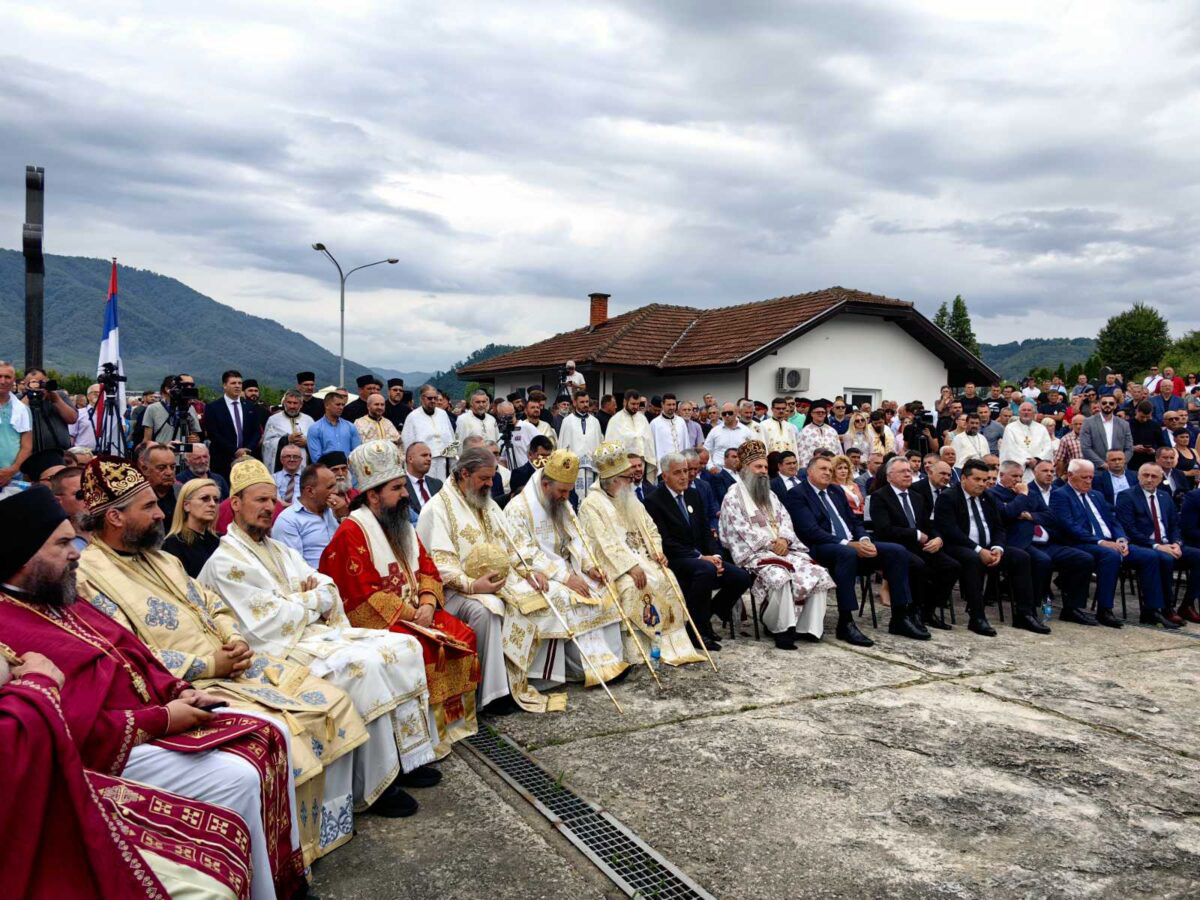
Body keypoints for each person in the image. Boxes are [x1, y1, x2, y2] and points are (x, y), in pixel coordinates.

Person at [0, 485, 303, 899]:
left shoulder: (62, 596)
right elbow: (65, 725)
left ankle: (285, 880)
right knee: (239, 776)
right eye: (62, 543)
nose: (75, 552)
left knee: (273, 734)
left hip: (157, 714)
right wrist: (163, 718)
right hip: (107, 751)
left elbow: (133, 652)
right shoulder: (9, 627)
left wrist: (178, 690)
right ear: (24, 555)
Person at [73, 457, 375, 861]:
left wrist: (233, 639)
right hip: (187, 684)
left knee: (334, 700)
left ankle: (326, 832)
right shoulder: (88, 577)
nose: (162, 512)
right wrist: (210, 665)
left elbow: (212, 605)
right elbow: (129, 654)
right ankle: (286, 853)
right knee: (285, 732)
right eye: (148, 507)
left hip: (235, 666)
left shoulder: (163, 559)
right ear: (113, 517)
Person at [200, 456, 449, 814]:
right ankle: (377, 784)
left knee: (405, 645)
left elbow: (328, 588)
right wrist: (309, 599)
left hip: (311, 634)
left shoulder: (279, 550)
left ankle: (406, 757)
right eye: (259, 500)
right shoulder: (226, 562)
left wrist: (303, 599)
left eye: (272, 500)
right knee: (364, 667)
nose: (269, 508)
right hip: (275, 653)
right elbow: (268, 621)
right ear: (235, 504)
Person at [0, 645, 259, 899]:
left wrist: (178, 690)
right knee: (236, 784)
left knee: (230, 824)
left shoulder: (63, 603)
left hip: (53, 759)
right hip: (35, 787)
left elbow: (128, 648)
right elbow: (59, 727)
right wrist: (40, 683)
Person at [319, 440, 481, 748]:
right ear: (373, 495)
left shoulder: (402, 524)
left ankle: (450, 725)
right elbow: (360, 595)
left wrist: (429, 603)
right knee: (424, 648)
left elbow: (428, 569)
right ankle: (421, 739)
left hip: (419, 613)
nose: (406, 494)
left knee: (463, 633)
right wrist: (415, 616)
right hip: (378, 623)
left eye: (403, 486)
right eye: (396, 488)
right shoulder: (351, 533)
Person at [412, 447, 563, 714]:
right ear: (464, 474)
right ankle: (492, 694)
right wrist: (472, 585)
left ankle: (529, 678)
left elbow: (511, 544)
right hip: (452, 594)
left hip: (496, 583)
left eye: (492, 478)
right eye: (484, 478)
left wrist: (529, 571)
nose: (490, 484)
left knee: (543, 594)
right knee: (488, 611)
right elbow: (437, 564)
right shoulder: (437, 509)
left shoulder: (488, 504)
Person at [576, 442, 706, 667]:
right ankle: (640, 651)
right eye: (627, 477)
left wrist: (657, 553)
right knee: (632, 587)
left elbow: (650, 528)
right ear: (614, 479)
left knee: (667, 578)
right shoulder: (592, 505)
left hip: (643, 558)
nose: (632, 480)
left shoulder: (630, 497)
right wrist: (629, 567)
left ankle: (672, 646)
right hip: (615, 566)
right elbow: (603, 544)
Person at [503, 449, 628, 678]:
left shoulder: (562, 502)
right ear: (545, 485)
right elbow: (523, 553)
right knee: (566, 598)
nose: (565, 497)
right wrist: (565, 577)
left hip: (571, 568)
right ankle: (582, 669)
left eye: (569, 492)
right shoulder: (518, 509)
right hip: (539, 574)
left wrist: (590, 567)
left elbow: (578, 537)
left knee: (604, 588)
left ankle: (610, 661)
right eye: (561, 491)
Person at [786, 454, 925, 642]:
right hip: (820, 548)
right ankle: (846, 622)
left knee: (896, 551)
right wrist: (849, 544)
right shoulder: (798, 494)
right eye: (823, 469)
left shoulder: (836, 491)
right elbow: (810, 531)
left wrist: (865, 539)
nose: (828, 473)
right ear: (810, 472)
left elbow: (854, 521)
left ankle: (900, 616)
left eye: (830, 469)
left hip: (852, 544)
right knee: (847, 553)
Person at [716, 442, 829, 649]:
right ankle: (781, 628)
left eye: (765, 468)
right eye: (758, 467)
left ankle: (807, 627)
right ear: (745, 468)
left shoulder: (771, 494)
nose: (763, 472)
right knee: (780, 576)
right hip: (753, 553)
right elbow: (739, 530)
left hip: (783, 549)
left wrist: (785, 540)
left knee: (817, 571)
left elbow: (785, 519)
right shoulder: (733, 496)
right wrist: (771, 543)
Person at [1049, 458, 1170, 629]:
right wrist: (1101, 542)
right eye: (1084, 477)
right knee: (1110, 555)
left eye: (1091, 477)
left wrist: (1121, 538)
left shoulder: (1095, 495)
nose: (1088, 481)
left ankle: (1151, 610)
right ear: (1070, 475)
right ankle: (1105, 609)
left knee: (1149, 556)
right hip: (1080, 543)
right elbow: (1069, 526)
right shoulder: (1060, 495)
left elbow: (1113, 521)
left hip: (1109, 542)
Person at [934, 458, 1048, 636]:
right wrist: (979, 550)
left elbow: (999, 527)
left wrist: (998, 548)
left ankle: (1025, 614)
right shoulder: (948, 497)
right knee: (973, 560)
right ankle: (977, 616)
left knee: (1021, 557)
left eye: (985, 480)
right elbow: (951, 532)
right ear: (963, 478)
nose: (982, 484)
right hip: (960, 547)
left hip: (989, 547)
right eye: (977, 479)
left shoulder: (989, 496)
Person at [990, 460, 1093, 619]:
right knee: (1042, 561)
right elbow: (1007, 513)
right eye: (1014, 476)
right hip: (1020, 543)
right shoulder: (994, 494)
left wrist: (1029, 515)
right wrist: (1022, 497)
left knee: (1083, 558)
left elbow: (1051, 516)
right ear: (1001, 475)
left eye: (1020, 476)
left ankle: (1072, 608)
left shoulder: (1028, 493)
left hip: (1046, 542)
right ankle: (1031, 608)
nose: (1018, 480)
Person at [867, 456, 960, 629]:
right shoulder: (880, 497)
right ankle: (913, 611)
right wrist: (916, 534)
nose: (908, 474)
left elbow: (927, 524)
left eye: (909, 471)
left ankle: (927, 610)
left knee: (951, 566)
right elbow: (884, 530)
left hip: (920, 546)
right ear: (889, 476)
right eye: (902, 471)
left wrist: (938, 538)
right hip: (895, 547)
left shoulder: (917, 497)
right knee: (919, 566)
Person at [1115, 463, 1197, 627]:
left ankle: (1186, 604)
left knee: (1198, 556)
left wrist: (1177, 543)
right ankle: (1165, 608)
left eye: (1154, 476)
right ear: (1138, 476)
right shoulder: (1127, 496)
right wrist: (1156, 545)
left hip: (1168, 544)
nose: (1149, 479)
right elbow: (1129, 529)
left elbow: (1175, 525)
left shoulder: (1164, 497)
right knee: (1164, 558)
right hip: (1144, 545)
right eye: (1145, 475)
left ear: (1161, 479)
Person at [274, 463, 341, 568]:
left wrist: (343, 516)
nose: (336, 491)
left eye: (335, 485)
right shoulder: (288, 520)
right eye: (330, 487)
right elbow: (294, 567)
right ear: (310, 491)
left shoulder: (334, 510)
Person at [162, 478, 221, 577]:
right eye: (205, 498)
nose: (212, 504)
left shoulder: (219, 541)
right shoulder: (173, 544)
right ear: (186, 505)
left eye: (216, 500)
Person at [401, 384, 457, 481]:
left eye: (435, 398)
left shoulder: (442, 414)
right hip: (421, 462)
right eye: (430, 398)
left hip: (442, 460)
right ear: (422, 399)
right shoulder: (413, 417)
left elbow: (451, 437)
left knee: (440, 487)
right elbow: (407, 443)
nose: (433, 401)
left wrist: (454, 464)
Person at [20, 367, 78, 455]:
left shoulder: (59, 395)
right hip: (29, 454)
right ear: (25, 384)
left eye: (41, 382)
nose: (38, 386)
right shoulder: (19, 399)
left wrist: (56, 400)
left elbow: (72, 419)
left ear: (47, 381)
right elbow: (15, 420)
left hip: (59, 452)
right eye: (33, 383)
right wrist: (29, 396)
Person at [557, 389, 602, 497]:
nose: (585, 404)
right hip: (574, 468)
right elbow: (562, 446)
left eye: (587, 402)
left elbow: (599, 443)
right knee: (576, 496)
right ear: (575, 403)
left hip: (592, 467)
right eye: (582, 402)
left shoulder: (595, 422)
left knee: (592, 496)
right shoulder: (567, 421)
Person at [261, 389, 313, 473]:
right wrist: (286, 440)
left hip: (304, 466)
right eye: (289, 402)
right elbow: (267, 444)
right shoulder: (273, 420)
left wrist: (307, 443)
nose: (292, 406)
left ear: (301, 404)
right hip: (281, 467)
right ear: (284, 403)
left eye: (295, 403)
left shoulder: (309, 420)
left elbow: (317, 443)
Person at [999, 401, 1053, 482]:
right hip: (1019, 470)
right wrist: (1026, 461)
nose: (1026, 413)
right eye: (1024, 410)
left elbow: (1048, 448)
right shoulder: (1010, 428)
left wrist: (1036, 459)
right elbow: (1010, 449)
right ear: (1019, 412)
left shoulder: (1041, 428)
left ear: (1034, 413)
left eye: (1029, 410)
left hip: (1037, 468)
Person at [307, 389, 362, 466]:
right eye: (338, 404)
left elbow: (357, 453)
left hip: (348, 472)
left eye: (343, 405)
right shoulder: (315, 428)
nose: (341, 407)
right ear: (327, 405)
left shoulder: (350, 427)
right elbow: (316, 458)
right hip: (327, 472)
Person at [0, 361, 32, 490]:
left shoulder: (23, 409)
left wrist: (12, 470)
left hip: (13, 477)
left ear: (13, 380)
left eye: (7, 377)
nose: (3, 381)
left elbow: (27, 446)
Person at [1080, 394, 1133, 471]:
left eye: (1111, 403)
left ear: (1115, 405)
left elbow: (1129, 448)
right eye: (1104, 403)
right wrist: (1103, 464)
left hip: (1120, 469)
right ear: (1099, 404)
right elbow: (1085, 448)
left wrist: (1121, 463)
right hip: (1097, 469)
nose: (1107, 405)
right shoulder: (1088, 422)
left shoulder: (1124, 424)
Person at [703, 402, 755, 471]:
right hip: (718, 471)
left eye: (730, 413)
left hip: (740, 471)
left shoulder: (746, 431)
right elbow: (706, 451)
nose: (727, 415)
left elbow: (752, 452)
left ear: (736, 413)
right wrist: (710, 467)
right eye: (724, 414)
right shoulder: (714, 431)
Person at [137, 442, 178, 523]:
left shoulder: (182, 493)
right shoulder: (135, 499)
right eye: (162, 468)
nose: (169, 472)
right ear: (145, 469)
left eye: (172, 467)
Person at [795, 401, 841, 468]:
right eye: (818, 412)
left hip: (831, 467)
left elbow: (838, 451)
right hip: (813, 467)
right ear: (811, 414)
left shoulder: (832, 431)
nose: (821, 414)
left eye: (823, 412)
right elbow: (801, 453)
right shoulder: (804, 432)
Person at [509, 434, 553, 499]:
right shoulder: (519, 474)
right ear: (530, 454)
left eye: (548, 456)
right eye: (542, 455)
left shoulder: (554, 473)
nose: (545, 459)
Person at [67, 383, 101, 449]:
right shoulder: (79, 413)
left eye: (101, 393)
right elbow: (71, 436)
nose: (98, 395)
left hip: (103, 455)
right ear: (88, 396)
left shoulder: (108, 414)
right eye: (95, 393)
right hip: (83, 455)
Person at [831, 453, 866, 518]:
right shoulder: (832, 487)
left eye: (845, 468)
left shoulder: (854, 485)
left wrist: (863, 511)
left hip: (861, 516)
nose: (843, 471)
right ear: (833, 471)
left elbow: (862, 502)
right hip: (847, 517)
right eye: (839, 468)